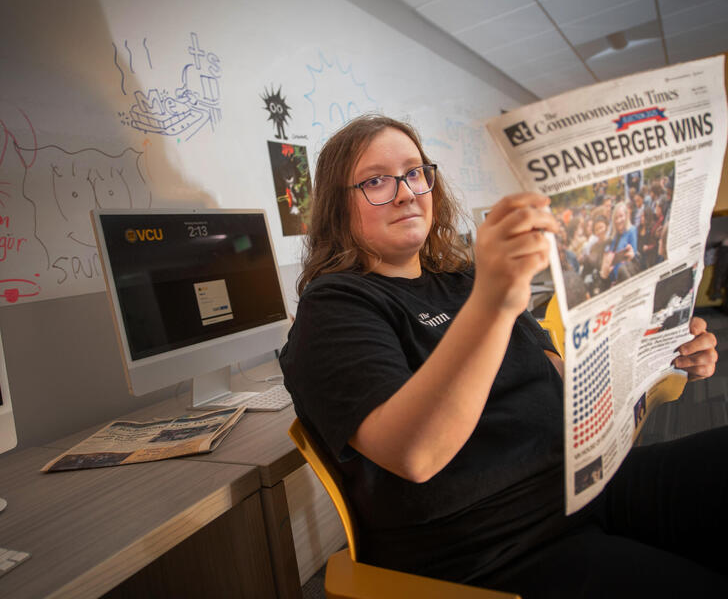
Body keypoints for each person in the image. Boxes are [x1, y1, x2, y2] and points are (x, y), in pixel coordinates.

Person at [279, 115, 724, 598]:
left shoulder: (465, 280)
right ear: (336, 207)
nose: (406, 192)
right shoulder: (336, 305)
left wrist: (657, 351)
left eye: (414, 172)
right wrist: (493, 302)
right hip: (498, 546)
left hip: (587, 484)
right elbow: (416, 452)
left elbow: (564, 382)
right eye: (376, 181)